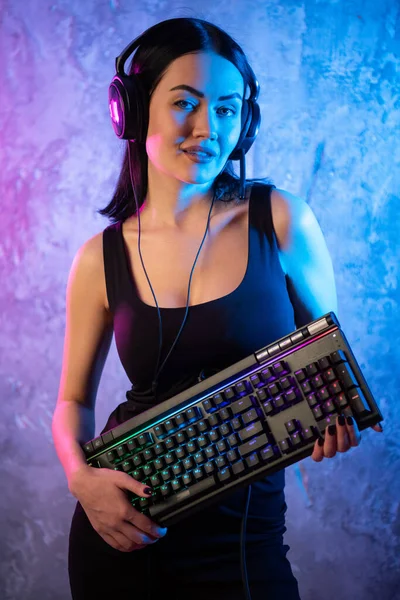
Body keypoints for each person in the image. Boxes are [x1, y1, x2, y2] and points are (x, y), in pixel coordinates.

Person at [52, 17, 382, 600]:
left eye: (228, 110)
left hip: (244, 544)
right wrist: (82, 481)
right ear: (131, 111)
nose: (208, 129)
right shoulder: (97, 260)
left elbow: (329, 368)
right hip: (123, 536)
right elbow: (72, 402)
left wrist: (335, 415)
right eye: (186, 103)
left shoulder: (281, 220)